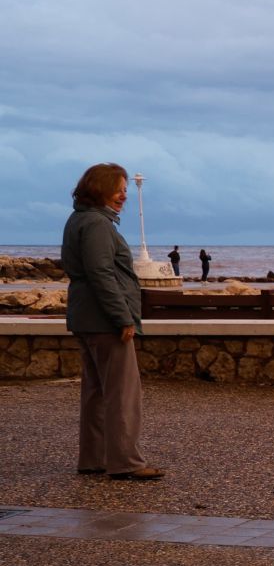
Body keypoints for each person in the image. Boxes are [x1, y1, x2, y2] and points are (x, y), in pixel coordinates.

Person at [62, 163, 163, 480]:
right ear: (100, 188)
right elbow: (101, 274)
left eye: (125, 190)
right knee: (122, 394)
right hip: (105, 320)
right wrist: (123, 317)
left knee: (96, 391)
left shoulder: (79, 219)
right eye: (119, 189)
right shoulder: (97, 225)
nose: (123, 196)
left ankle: (95, 458)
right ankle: (126, 462)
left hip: (86, 317)